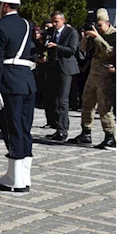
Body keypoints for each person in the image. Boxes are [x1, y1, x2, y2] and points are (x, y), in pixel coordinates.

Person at [0, 0, 35, 193]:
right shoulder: (27, 24)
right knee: (24, 128)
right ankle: (24, 176)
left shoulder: (0, 26)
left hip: (9, 81)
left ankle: (15, 178)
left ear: (4, 5)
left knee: (12, 127)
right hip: (26, 80)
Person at [68, 9, 116, 149]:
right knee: (87, 103)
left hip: (106, 76)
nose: (98, 28)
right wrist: (85, 37)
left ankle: (110, 135)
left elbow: (109, 52)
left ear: (108, 23)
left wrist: (97, 37)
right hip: (93, 72)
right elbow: (83, 50)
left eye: (100, 25)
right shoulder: (95, 34)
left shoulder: (113, 35)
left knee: (104, 106)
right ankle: (86, 133)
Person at [40, 10, 80, 142]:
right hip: (52, 68)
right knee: (53, 100)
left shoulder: (71, 32)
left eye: (56, 21)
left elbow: (72, 50)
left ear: (63, 20)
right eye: (52, 21)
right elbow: (44, 46)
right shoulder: (50, 32)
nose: (54, 24)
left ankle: (63, 130)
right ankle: (57, 126)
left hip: (65, 68)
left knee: (63, 100)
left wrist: (57, 47)